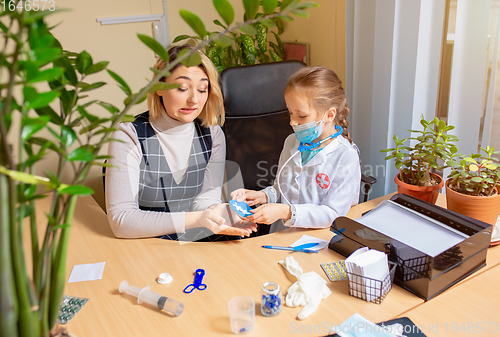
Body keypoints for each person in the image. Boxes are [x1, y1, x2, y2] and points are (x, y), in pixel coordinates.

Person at [105, 44, 256, 240]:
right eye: (182, 88)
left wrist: (221, 212)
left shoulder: (212, 134)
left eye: (202, 89)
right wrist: (196, 219)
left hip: (196, 234)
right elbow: (122, 221)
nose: (194, 99)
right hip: (147, 240)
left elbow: (205, 200)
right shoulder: (128, 136)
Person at [231, 66, 361, 232]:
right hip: (281, 234)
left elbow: (333, 213)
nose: (292, 122)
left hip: (317, 239)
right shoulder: (292, 141)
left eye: (301, 115)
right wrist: (263, 196)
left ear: (329, 115)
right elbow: (281, 189)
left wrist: (287, 212)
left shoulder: (346, 155)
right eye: (290, 113)